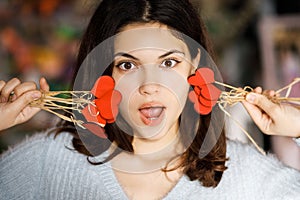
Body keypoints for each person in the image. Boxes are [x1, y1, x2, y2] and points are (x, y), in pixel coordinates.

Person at [0, 0, 299, 199]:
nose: (149, 86)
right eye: (127, 65)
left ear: (195, 64)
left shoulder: (246, 177)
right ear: (106, 73)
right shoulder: (47, 162)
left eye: (169, 63)